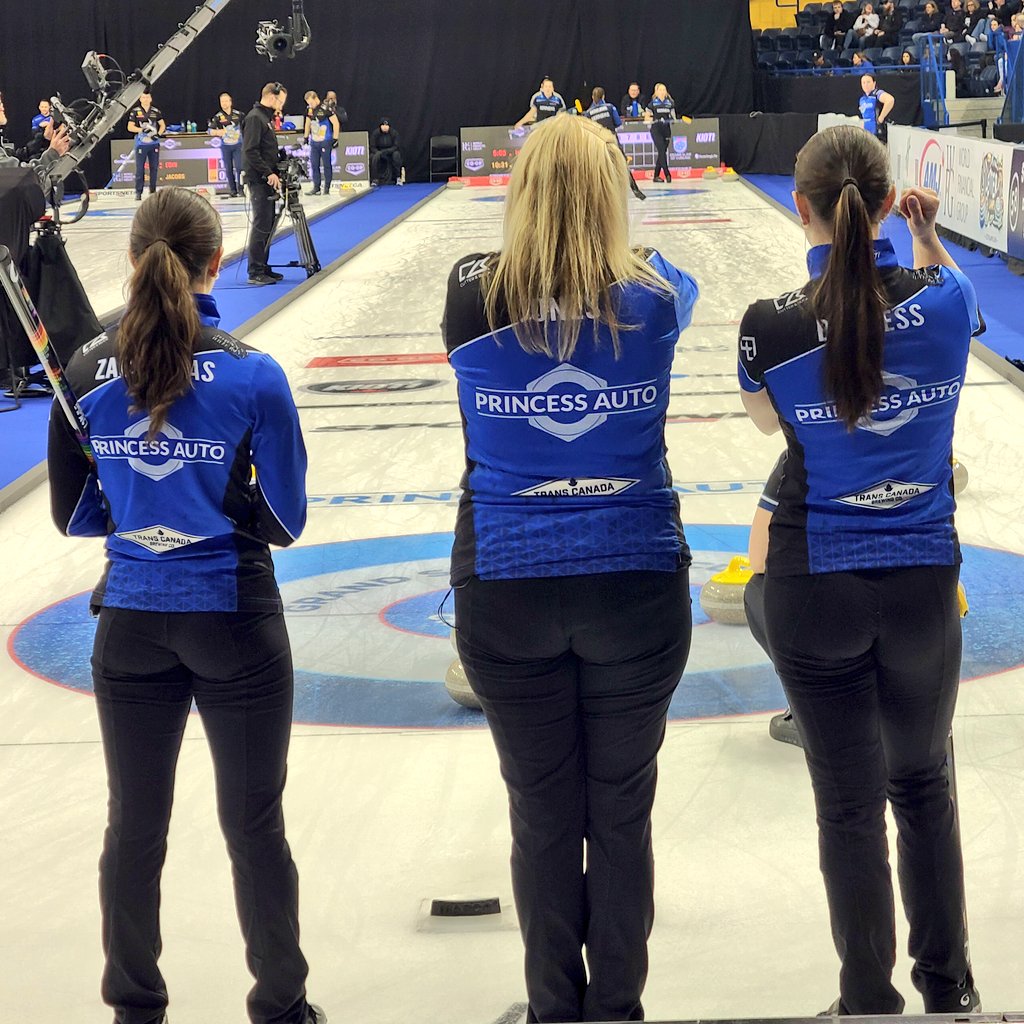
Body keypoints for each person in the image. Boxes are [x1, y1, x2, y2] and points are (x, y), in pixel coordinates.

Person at [442, 113, 698, 1024]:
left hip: (508, 584)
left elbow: (506, 287)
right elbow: (667, 284)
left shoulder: (470, 295)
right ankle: (617, 1009)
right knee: (621, 814)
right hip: (634, 583)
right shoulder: (658, 296)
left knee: (542, 815)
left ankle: (556, 1008)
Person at [46, 186, 324, 1024]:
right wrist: (221, 503)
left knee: (134, 826)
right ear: (215, 260)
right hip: (234, 619)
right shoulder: (255, 373)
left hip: (130, 623)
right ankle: (280, 1007)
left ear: (132, 262)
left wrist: (139, 515)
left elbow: (73, 513)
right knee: (254, 825)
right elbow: (285, 521)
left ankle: (135, 1008)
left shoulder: (85, 372)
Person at [736, 124, 982, 1016]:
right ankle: (949, 988)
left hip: (815, 581)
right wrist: (925, 238)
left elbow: (769, 426)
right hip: (922, 580)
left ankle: (867, 999)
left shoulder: (770, 323)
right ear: (885, 202)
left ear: (800, 205)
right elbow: (945, 290)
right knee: (923, 784)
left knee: (847, 805)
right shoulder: (948, 303)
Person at [242, 81, 287, 286]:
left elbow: (266, 149)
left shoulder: (265, 118)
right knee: (261, 224)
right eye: (281, 101)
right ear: (272, 97)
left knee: (268, 224)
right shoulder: (254, 118)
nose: (282, 106)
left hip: (267, 178)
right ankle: (255, 270)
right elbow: (251, 151)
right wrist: (268, 173)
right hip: (258, 180)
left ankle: (263, 265)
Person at [584, 86, 646, 199]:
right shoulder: (610, 107)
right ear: (603, 96)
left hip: (597, 143)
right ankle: (636, 190)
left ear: (593, 98)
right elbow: (618, 123)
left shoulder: (588, 113)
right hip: (612, 140)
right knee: (622, 164)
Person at [127, 91, 165, 202]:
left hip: (154, 143)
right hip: (141, 144)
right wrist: (141, 130)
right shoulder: (135, 112)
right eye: (143, 97)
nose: (145, 99)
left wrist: (159, 133)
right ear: (140, 99)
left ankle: (152, 191)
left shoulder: (155, 111)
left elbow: (162, 124)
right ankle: (138, 192)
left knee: (154, 168)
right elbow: (130, 127)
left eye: (147, 97)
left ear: (151, 98)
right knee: (140, 169)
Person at [303, 90, 340, 196]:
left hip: (325, 141)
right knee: (314, 165)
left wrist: (335, 138)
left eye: (311, 102)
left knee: (327, 164)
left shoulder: (326, 108)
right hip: (314, 142)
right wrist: (306, 136)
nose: (310, 105)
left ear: (315, 98)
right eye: (308, 103)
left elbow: (335, 123)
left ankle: (327, 188)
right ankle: (316, 187)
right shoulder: (309, 109)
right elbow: (308, 122)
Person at [208, 91, 244, 198]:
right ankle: (233, 190)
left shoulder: (239, 115)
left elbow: (247, 126)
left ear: (230, 102)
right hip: (225, 146)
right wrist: (217, 132)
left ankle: (241, 189)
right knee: (228, 168)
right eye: (222, 102)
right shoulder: (218, 117)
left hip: (238, 145)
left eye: (226, 101)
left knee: (239, 167)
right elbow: (209, 130)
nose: (224, 103)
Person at [646, 82, 676, 183]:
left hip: (666, 130)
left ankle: (656, 176)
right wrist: (651, 120)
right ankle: (667, 174)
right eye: (660, 90)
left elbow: (673, 118)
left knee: (662, 153)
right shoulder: (652, 103)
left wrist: (671, 120)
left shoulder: (670, 103)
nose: (662, 92)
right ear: (656, 92)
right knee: (661, 150)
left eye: (664, 89)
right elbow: (647, 117)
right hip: (656, 129)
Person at [858, 73, 895, 139]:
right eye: (863, 83)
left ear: (874, 83)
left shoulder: (877, 93)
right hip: (867, 133)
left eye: (868, 82)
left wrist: (881, 118)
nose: (866, 85)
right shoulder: (862, 99)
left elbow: (890, 100)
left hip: (878, 132)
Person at [369, 118, 404, 185]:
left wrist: (387, 151)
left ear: (389, 126)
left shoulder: (394, 133)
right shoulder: (375, 133)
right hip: (379, 152)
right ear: (380, 126)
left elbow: (396, 146)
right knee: (372, 157)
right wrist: (378, 152)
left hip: (390, 152)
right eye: (383, 125)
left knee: (396, 155)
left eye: (386, 125)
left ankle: (398, 178)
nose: (385, 127)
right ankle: (374, 179)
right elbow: (372, 146)